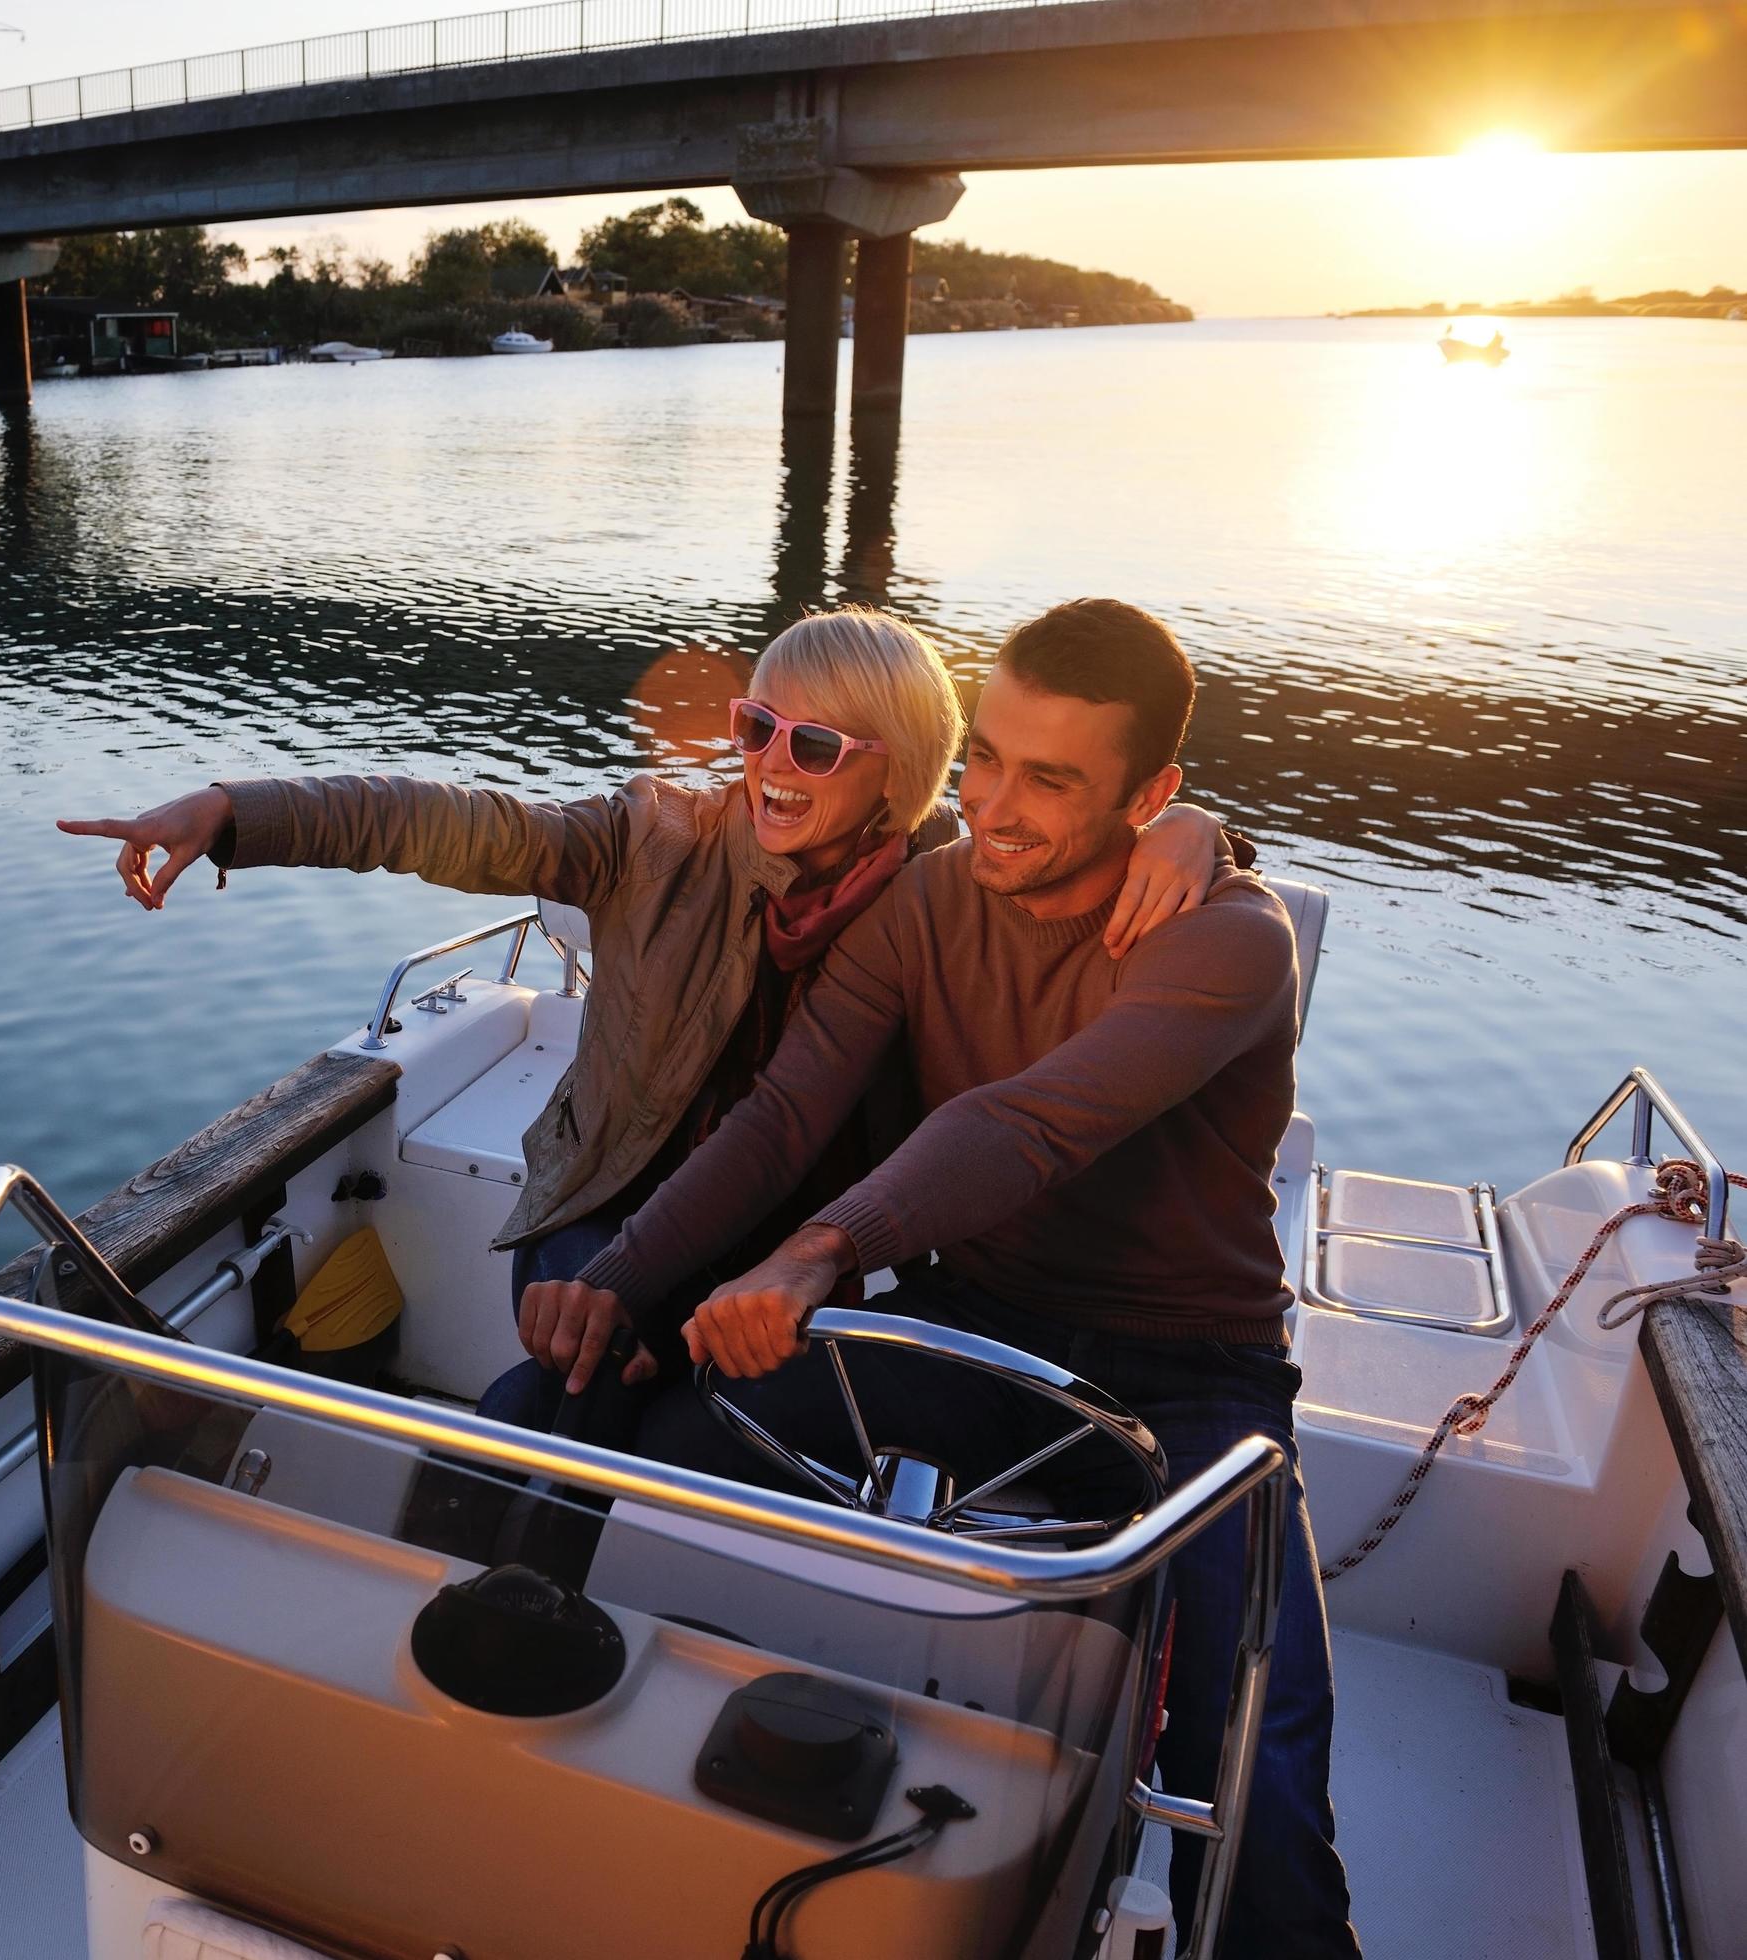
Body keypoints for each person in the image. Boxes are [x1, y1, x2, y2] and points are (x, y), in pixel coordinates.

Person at [531, 598, 1355, 1958]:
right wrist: (624, 1284)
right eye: (986, 760)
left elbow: (1026, 1124)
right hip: (974, 1327)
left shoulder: (1229, 941)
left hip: (1195, 1382)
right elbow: (786, 1118)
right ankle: (518, 1721)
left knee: (1257, 1758)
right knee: (586, 1397)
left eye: (1053, 779)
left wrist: (815, 1256)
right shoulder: (928, 894)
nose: (996, 807)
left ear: (1156, 800)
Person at [57, 609, 1244, 1433]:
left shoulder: (941, 880)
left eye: (817, 744)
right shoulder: (654, 838)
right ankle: (506, 1635)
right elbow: (438, 820)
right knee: (584, 1377)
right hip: (615, 1200)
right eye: (755, 725)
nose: (772, 765)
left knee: (682, 1400)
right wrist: (234, 811)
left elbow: (1080, 837)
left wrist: (1203, 835)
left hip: (800, 1229)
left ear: (905, 772)